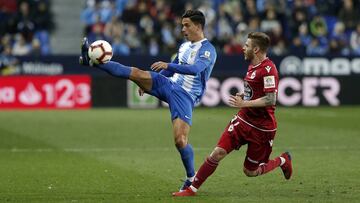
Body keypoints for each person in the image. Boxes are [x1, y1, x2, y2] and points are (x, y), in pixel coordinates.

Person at [79, 10, 217, 191]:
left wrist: (168, 65)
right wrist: (149, 82)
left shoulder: (208, 50)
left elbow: (195, 69)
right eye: (182, 25)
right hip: (168, 84)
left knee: (180, 140)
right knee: (136, 73)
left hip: (185, 95)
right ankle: (92, 61)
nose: (183, 29)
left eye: (187, 25)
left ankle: (191, 177)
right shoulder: (184, 46)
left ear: (198, 26)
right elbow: (171, 70)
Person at [172, 32, 292, 197]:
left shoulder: (269, 70)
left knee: (250, 172)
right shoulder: (252, 65)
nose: (243, 48)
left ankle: (283, 160)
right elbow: (257, 91)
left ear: (256, 49)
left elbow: (271, 99)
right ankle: (191, 189)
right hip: (243, 120)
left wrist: (245, 103)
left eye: (247, 46)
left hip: (262, 129)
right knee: (217, 152)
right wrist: (245, 95)